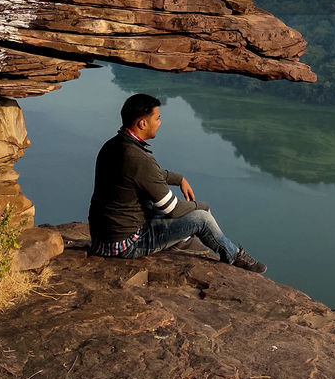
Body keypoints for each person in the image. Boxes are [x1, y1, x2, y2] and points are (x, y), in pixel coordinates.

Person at [87, 92, 266, 273]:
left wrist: (178, 179)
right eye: (157, 118)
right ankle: (234, 256)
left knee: (152, 204)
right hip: (125, 244)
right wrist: (201, 206)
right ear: (142, 123)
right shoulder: (137, 158)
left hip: (103, 237)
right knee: (202, 219)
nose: (160, 123)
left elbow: (149, 176)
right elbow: (171, 209)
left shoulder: (114, 145)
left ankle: (182, 239)